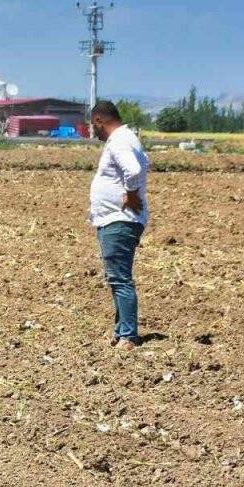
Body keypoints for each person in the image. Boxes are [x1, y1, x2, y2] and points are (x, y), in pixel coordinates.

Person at [88, 101, 150, 351]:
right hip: (115, 218)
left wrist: (131, 194)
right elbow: (143, 164)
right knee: (116, 278)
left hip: (119, 219)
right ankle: (121, 330)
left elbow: (134, 170)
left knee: (120, 279)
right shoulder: (127, 138)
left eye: (93, 125)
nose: (93, 131)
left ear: (99, 121)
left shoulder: (119, 141)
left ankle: (128, 336)